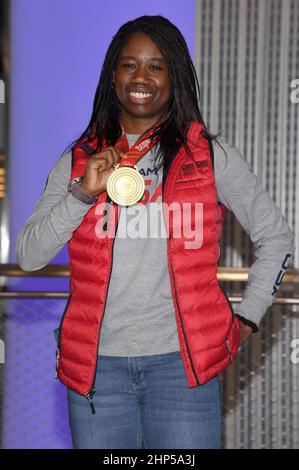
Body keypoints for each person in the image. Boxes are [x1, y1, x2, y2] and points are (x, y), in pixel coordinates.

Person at [16, 15, 295, 449]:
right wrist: (81, 194)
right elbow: (30, 255)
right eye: (129, 65)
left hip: (181, 372)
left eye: (156, 65)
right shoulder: (80, 159)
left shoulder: (209, 155)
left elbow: (276, 236)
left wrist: (247, 317)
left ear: (174, 76)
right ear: (113, 77)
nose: (141, 77)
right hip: (97, 372)